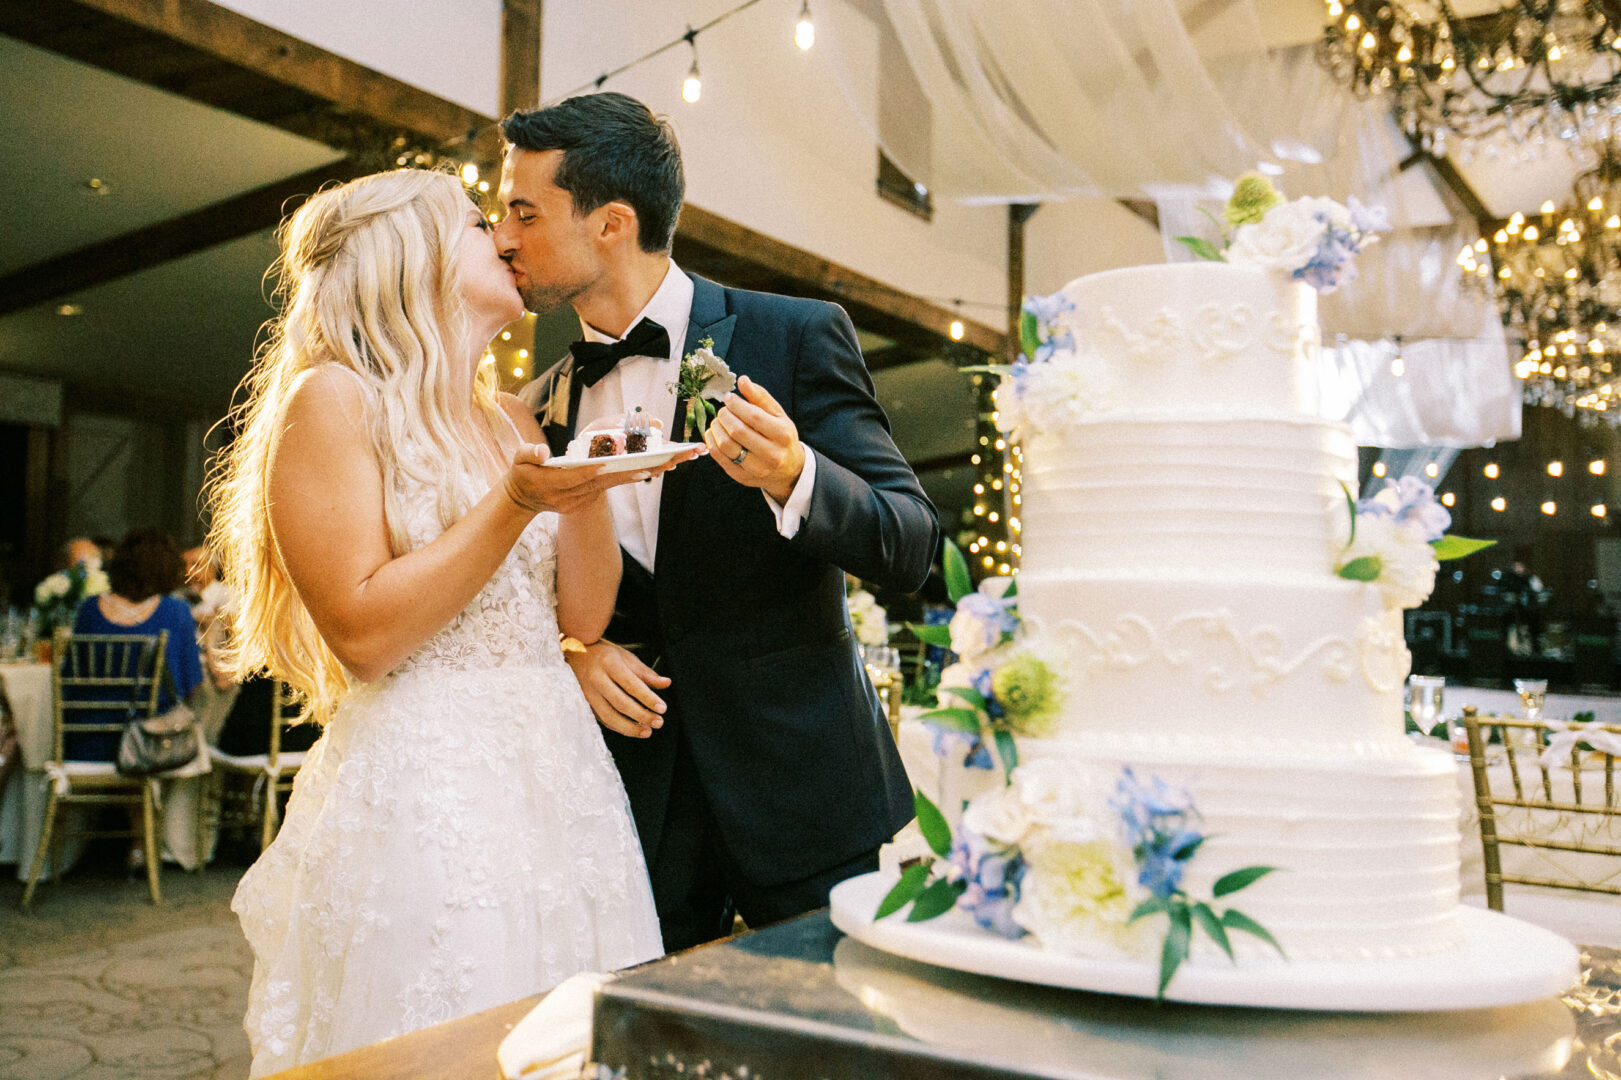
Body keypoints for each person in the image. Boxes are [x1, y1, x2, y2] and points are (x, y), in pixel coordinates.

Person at [208, 168, 696, 1074]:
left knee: (571, 1036)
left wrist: (583, 489)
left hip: (558, 778)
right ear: (412, 257)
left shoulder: (509, 416)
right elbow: (364, 635)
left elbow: (581, 617)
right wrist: (514, 502)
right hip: (430, 782)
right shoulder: (334, 400)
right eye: (479, 224)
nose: (505, 238)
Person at [497, 93, 938, 951]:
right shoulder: (534, 406)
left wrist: (794, 476)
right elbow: (526, 598)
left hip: (808, 792)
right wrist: (574, 651)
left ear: (611, 223)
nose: (503, 236)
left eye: (524, 211)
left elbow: (909, 542)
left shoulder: (797, 336)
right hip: (632, 811)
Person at [66, 528, 202, 763]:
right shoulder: (176, 611)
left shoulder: (89, 610)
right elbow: (190, 686)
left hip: (84, 743)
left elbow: (69, 680)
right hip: (149, 747)